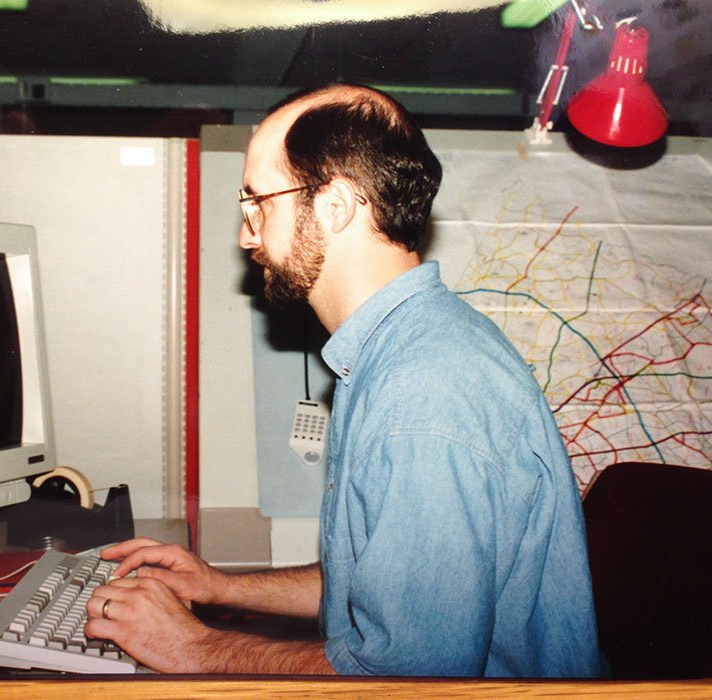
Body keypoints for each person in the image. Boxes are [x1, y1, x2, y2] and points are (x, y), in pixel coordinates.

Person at [83, 83, 601, 677]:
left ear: (335, 206)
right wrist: (220, 587)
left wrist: (196, 648)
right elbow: (380, 587)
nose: (247, 235)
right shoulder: (404, 351)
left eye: (260, 203)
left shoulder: (423, 395)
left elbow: (410, 675)